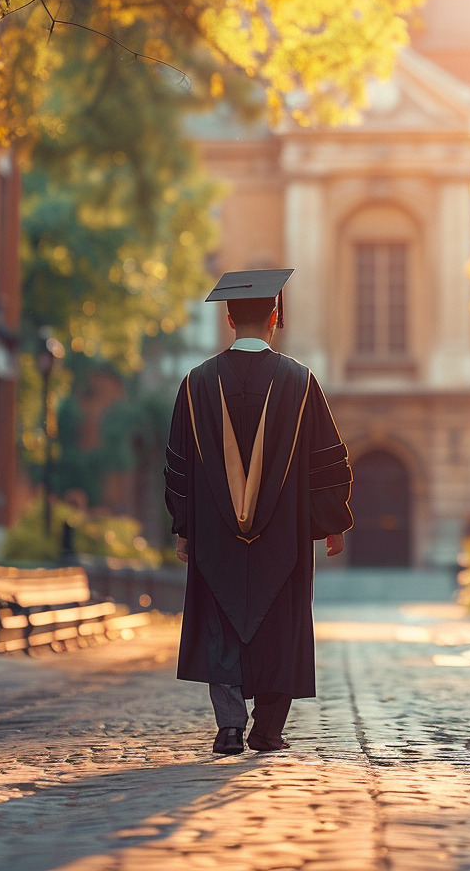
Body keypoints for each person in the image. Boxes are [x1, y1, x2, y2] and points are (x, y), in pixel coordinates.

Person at [164, 268, 353, 755]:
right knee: (279, 625)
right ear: (275, 317)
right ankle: (268, 731)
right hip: (283, 537)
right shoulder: (300, 382)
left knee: (220, 622)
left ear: (229, 319)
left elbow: (178, 464)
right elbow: (325, 459)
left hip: (215, 535)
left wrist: (184, 528)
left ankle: (229, 727)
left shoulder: (196, 384)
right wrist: (332, 523)